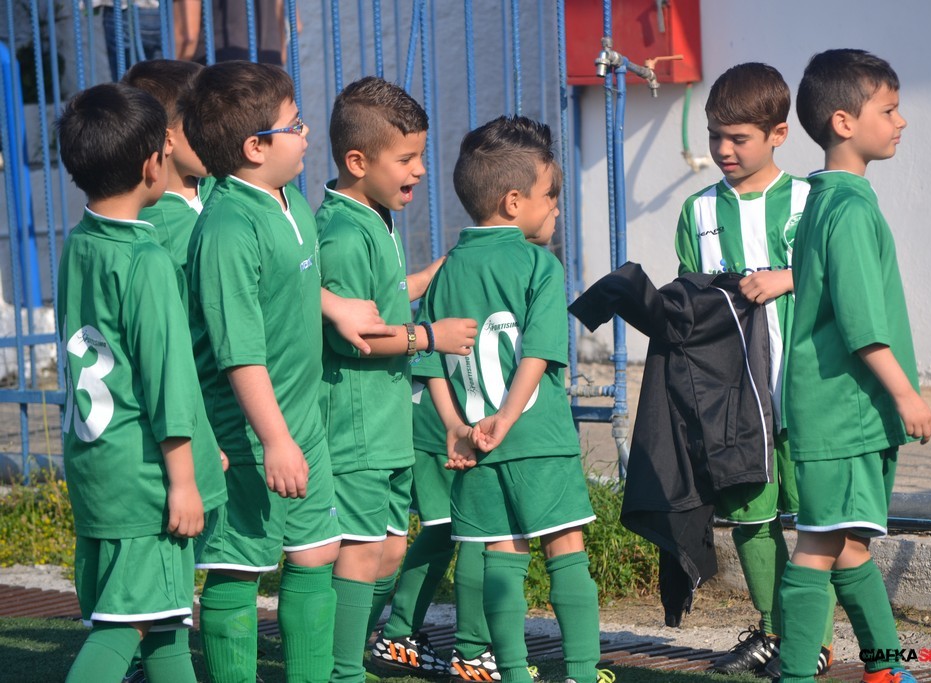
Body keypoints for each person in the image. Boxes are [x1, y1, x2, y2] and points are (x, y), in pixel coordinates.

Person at [419, 115, 612, 683]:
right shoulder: (539, 265)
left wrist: (456, 426)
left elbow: (430, 361)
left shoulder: (445, 272)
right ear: (512, 202)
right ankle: (581, 673)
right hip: (537, 438)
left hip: (475, 442)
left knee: (502, 554)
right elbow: (540, 353)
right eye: (551, 195)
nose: (556, 209)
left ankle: (512, 673)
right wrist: (507, 417)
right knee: (565, 548)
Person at [775, 49, 931, 683]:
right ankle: (798, 673)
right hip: (845, 410)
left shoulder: (824, 199)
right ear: (844, 122)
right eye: (889, 110)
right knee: (820, 544)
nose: (901, 121)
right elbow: (861, 325)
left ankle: (885, 668)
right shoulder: (849, 208)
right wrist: (907, 396)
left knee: (848, 542)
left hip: (836, 410)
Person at [56, 82, 225, 683]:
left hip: (101, 470)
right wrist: (185, 479)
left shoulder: (79, 244)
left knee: (164, 628)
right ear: (154, 164)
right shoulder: (145, 260)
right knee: (121, 629)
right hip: (147, 482)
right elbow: (166, 382)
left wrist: (203, 450)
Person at [183, 60, 342, 683]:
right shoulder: (227, 227)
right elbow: (239, 353)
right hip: (247, 436)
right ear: (255, 148)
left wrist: (337, 308)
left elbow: (291, 289)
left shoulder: (290, 200)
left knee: (316, 553)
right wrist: (275, 439)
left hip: (304, 423)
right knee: (239, 566)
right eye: (294, 125)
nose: (306, 134)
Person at [674, 62, 834, 677]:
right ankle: (772, 631)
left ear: (778, 134)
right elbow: (690, 303)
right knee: (750, 520)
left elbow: (841, 277)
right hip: (736, 403)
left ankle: (814, 643)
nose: (723, 150)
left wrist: (787, 277)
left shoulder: (811, 201)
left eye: (738, 138)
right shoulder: (696, 212)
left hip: (806, 393)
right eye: (716, 136)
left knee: (818, 525)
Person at [316, 75, 477, 683]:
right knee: (361, 554)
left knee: (384, 553)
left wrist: (425, 278)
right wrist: (431, 336)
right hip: (355, 427)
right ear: (358, 162)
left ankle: (343, 650)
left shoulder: (371, 216)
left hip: (385, 426)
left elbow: (377, 300)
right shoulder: (341, 233)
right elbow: (355, 336)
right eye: (407, 158)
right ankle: (337, 668)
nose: (420, 170)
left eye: (421, 156)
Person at [369, 379, 495, 682]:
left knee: (446, 529)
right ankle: (472, 653)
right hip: (446, 418)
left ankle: (398, 634)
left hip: (445, 413)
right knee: (476, 526)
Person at [124, 59, 211, 272]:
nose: (218, 128)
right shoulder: (150, 228)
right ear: (168, 140)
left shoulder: (225, 179)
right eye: (204, 121)